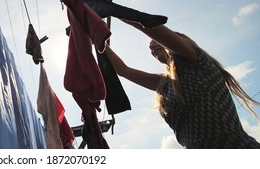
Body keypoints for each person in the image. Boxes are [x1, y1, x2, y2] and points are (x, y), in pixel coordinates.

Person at [103, 21, 260, 148]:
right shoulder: (164, 84)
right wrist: (97, 38)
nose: (151, 47)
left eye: (155, 41)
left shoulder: (197, 61)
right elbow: (123, 70)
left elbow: (152, 26)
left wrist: (120, 13)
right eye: (151, 46)